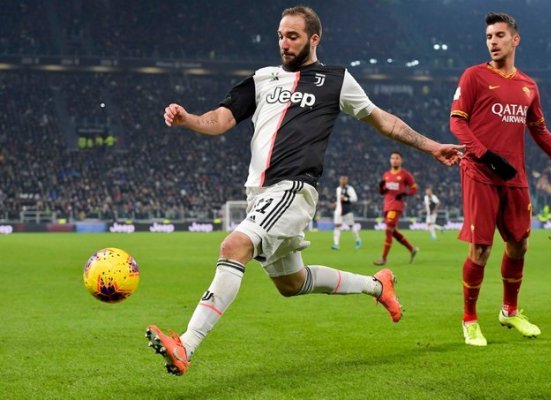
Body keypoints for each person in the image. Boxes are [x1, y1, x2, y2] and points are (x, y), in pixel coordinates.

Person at [147, 5, 464, 375]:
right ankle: (378, 286)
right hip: (259, 194)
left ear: (314, 39)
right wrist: (188, 119)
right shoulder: (261, 79)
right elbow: (222, 119)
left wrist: (430, 146)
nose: (284, 42)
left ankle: (187, 343)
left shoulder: (336, 79)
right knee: (291, 283)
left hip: (294, 189)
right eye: (281, 35)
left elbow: (384, 121)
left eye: (293, 36)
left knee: (234, 246)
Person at [450, 12, 551, 347]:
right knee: (481, 250)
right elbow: (457, 123)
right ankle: (470, 320)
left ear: (515, 40)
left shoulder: (528, 86)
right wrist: (485, 154)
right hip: (480, 174)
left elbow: (540, 131)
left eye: (499, 35)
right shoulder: (474, 76)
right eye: (489, 37)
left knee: (519, 245)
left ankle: (510, 310)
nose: (493, 42)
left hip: (515, 177)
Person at [373, 151, 419, 266]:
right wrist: (380, 187)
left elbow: (414, 188)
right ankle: (412, 249)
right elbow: (382, 192)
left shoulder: (405, 174)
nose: (394, 160)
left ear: (401, 160)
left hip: (397, 205)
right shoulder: (386, 175)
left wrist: (405, 194)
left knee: (388, 229)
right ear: (390, 160)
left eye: (397, 158)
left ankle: (383, 258)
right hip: (387, 206)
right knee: (393, 232)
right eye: (392, 158)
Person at [331, 175, 361, 250]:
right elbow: (339, 200)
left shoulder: (350, 189)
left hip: (347, 210)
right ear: (340, 181)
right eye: (342, 180)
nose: (343, 181)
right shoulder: (338, 189)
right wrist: (336, 203)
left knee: (351, 226)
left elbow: (355, 198)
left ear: (347, 181)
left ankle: (357, 240)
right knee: (337, 226)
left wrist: (346, 198)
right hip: (338, 211)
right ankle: (336, 244)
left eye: (345, 180)